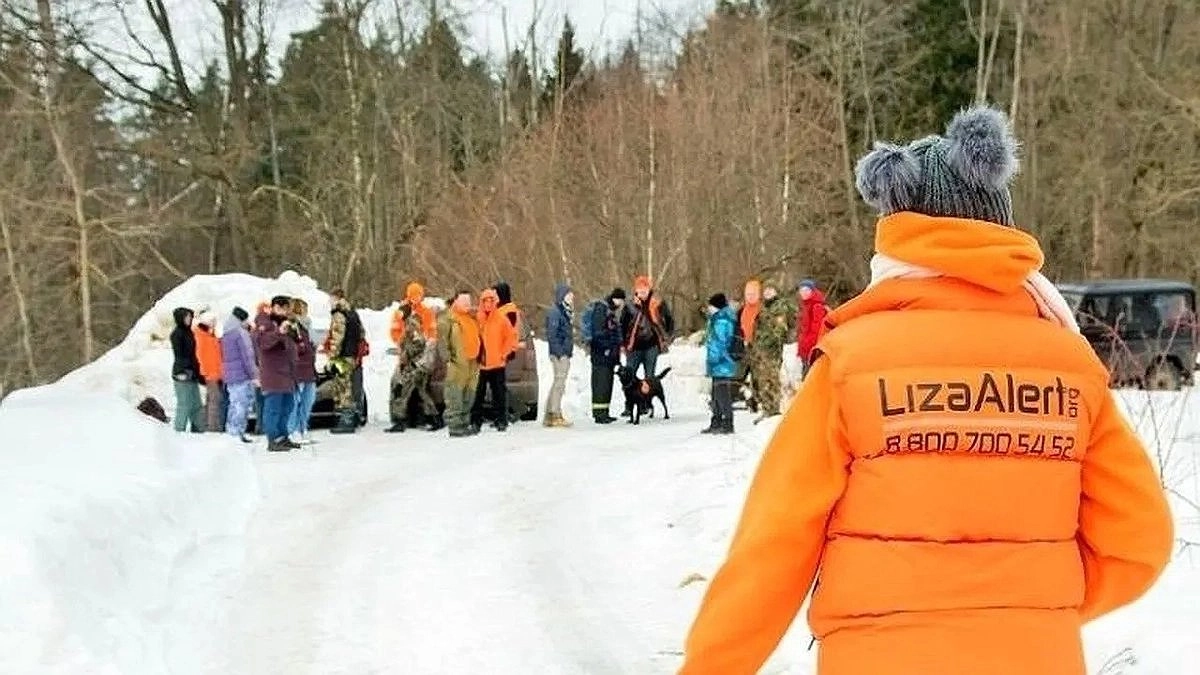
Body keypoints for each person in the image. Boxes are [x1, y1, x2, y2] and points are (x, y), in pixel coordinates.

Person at [679, 106, 1174, 675]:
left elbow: (772, 546)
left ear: (896, 234)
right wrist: (1032, 606)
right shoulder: (1071, 366)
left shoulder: (851, 365)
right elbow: (1140, 540)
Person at [388, 282, 439, 432]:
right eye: (413, 296)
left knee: (402, 387)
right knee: (413, 388)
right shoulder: (402, 312)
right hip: (409, 357)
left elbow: (429, 337)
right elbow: (395, 333)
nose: (415, 299)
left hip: (418, 359)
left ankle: (401, 420)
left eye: (418, 295)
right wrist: (402, 346)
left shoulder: (425, 313)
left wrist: (421, 354)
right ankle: (432, 418)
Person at [621, 275, 675, 417]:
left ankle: (645, 404)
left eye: (645, 290)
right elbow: (623, 325)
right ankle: (629, 406)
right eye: (640, 291)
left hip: (652, 345)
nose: (642, 293)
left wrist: (668, 335)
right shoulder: (629, 306)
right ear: (636, 291)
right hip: (634, 346)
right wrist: (623, 343)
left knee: (649, 377)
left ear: (649, 290)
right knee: (629, 375)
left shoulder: (657, 303)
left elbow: (669, 319)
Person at [740, 280, 791, 422]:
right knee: (761, 381)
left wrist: (764, 342)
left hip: (770, 351)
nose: (768, 293)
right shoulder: (764, 308)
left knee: (770, 380)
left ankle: (773, 410)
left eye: (771, 290)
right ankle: (767, 408)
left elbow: (779, 331)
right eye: (766, 290)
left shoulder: (779, 307)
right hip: (759, 351)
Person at [254, 296, 299, 452]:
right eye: (281, 308)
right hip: (273, 373)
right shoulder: (265, 324)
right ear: (274, 307)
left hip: (287, 373)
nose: (284, 312)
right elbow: (263, 343)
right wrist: (279, 332)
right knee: (273, 408)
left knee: (288, 406)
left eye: (286, 308)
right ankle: (272, 439)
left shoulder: (286, 323)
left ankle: (282, 436)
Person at [472, 288, 518, 432]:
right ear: (481, 302)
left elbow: (510, 337)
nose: (488, 304)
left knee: (499, 394)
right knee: (478, 395)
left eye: (491, 301)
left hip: (497, 363)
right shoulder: (477, 319)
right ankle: (475, 421)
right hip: (482, 364)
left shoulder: (501, 319)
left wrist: (504, 353)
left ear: (495, 302)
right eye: (485, 301)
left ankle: (501, 420)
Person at [437, 290, 482, 437]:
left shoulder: (472, 318)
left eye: (469, 302)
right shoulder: (448, 319)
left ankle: (464, 422)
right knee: (455, 394)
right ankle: (455, 425)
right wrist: (448, 360)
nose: (467, 305)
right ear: (456, 301)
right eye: (464, 302)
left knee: (469, 394)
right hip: (457, 364)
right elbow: (442, 342)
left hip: (473, 363)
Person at [327, 288, 365, 434]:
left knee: (343, 388)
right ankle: (353, 418)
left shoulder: (339, 314)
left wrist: (332, 356)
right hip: (353, 355)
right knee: (350, 385)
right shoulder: (353, 313)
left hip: (342, 356)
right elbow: (362, 334)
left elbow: (337, 337)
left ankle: (346, 420)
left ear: (336, 297)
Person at [586, 288, 627, 424]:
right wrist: (607, 347)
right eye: (620, 300)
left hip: (609, 355)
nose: (621, 303)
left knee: (607, 384)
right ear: (615, 298)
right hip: (601, 354)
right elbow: (599, 333)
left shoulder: (610, 311)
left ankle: (605, 411)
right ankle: (599, 414)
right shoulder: (601, 309)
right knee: (601, 384)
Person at [220, 306, 256, 443]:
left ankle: (233, 431)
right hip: (241, 375)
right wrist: (254, 375)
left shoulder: (226, 333)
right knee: (241, 405)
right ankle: (236, 432)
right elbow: (247, 356)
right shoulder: (240, 334)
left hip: (231, 375)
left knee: (235, 404)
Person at [702, 293, 736, 435]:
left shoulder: (722, 321)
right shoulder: (716, 319)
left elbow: (719, 342)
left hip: (722, 362)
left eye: (710, 305)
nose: (708, 308)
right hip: (718, 363)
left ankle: (727, 422)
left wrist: (713, 358)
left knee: (722, 394)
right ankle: (716, 419)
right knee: (715, 394)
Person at [169, 307, 205, 432]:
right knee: (184, 404)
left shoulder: (189, 333)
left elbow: (193, 355)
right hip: (182, 373)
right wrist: (183, 371)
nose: (189, 319)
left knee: (196, 404)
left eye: (190, 317)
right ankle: (179, 430)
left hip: (192, 372)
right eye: (187, 317)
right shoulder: (177, 334)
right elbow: (180, 355)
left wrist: (198, 372)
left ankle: (199, 429)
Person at [544, 282, 575, 427]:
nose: (572, 296)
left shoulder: (565, 311)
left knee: (558, 383)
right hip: (559, 354)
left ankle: (550, 413)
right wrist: (560, 353)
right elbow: (553, 334)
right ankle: (554, 413)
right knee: (559, 384)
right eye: (569, 294)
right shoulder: (555, 312)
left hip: (564, 352)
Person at [288, 298, 318, 444]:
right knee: (295, 402)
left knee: (308, 400)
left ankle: (302, 427)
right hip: (298, 369)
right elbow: (292, 347)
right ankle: (292, 430)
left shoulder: (307, 326)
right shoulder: (292, 326)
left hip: (309, 369)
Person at [193, 312, 224, 432]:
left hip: (214, 372)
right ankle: (212, 427)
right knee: (214, 400)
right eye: (213, 322)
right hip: (210, 373)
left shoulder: (209, 335)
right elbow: (204, 357)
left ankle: (206, 424)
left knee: (212, 400)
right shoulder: (202, 337)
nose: (215, 324)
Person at [796, 279, 828, 378]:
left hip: (812, 348)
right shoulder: (805, 305)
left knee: (809, 376)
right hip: (806, 347)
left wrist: (807, 346)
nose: (804, 293)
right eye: (802, 291)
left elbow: (816, 329)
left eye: (806, 290)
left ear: (812, 291)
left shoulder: (816, 306)